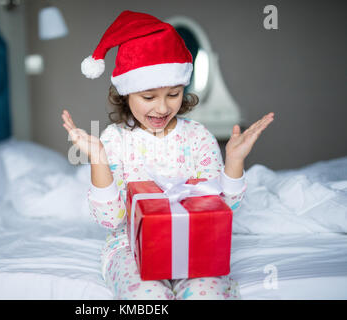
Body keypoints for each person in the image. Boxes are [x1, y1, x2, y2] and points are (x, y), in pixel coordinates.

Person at [62, 10, 274, 300]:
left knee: (207, 294)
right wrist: (98, 158)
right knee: (146, 297)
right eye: (148, 97)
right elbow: (111, 220)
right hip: (130, 246)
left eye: (173, 94)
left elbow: (223, 210)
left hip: (195, 242)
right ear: (127, 94)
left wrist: (234, 163)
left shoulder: (198, 136)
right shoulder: (115, 138)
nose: (162, 108)